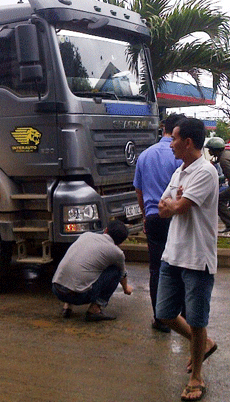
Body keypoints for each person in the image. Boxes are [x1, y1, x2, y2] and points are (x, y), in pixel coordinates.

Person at [157, 117, 218, 402]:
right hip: (173, 253)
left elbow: (179, 207)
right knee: (165, 313)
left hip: (197, 257)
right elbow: (162, 207)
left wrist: (175, 204)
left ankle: (196, 378)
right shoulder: (179, 172)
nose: (171, 144)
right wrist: (173, 204)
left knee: (196, 319)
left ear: (188, 142)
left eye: (174, 139)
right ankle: (203, 344)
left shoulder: (206, 172)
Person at [133, 113, 184, 333]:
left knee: (156, 269)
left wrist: (146, 215)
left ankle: (160, 319)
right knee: (180, 266)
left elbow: (139, 190)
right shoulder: (180, 154)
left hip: (153, 217)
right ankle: (182, 316)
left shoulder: (145, 155)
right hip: (176, 217)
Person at [51, 220, 133, 321]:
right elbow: (122, 274)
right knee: (115, 271)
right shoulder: (117, 253)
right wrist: (126, 288)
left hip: (57, 289)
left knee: (81, 265)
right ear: (120, 242)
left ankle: (67, 307)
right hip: (79, 296)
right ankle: (95, 310)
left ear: (106, 230)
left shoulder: (86, 235)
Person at [203, 136, 230, 233]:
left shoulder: (223, 160)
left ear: (215, 150)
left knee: (219, 200)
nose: (209, 152)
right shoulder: (225, 155)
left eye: (210, 150)